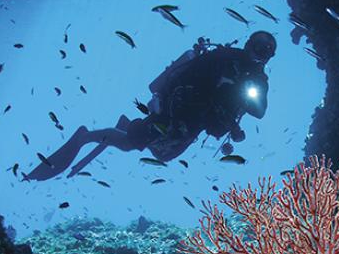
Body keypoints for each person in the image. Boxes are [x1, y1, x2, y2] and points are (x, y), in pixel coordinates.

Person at [24, 31, 278, 180]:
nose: (260, 54)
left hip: (195, 125)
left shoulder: (259, 80)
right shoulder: (222, 58)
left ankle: (125, 127)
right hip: (176, 113)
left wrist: (243, 94)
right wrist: (217, 85)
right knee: (132, 143)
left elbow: (260, 111)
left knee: (164, 155)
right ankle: (86, 136)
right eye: (258, 47)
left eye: (267, 51)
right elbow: (183, 79)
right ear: (247, 45)